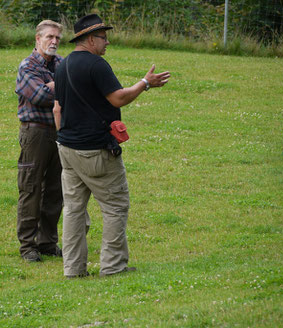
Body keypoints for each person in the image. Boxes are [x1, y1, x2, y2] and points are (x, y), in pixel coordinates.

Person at [53, 14, 170, 277]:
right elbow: (118, 98)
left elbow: (57, 109)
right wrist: (144, 84)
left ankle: (73, 270)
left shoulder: (63, 65)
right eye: (104, 38)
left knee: (73, 209)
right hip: (96, 150)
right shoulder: (97, 65)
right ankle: (113, 267)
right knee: (115, 206)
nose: (107, 43)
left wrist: (66, 139)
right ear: (91, 39)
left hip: (67, 150)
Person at [15, 20, 64, 262]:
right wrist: (62, 85)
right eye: (49, 37)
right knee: (31, 188)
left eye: (57, 38)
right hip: (35, 134)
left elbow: (74, 89)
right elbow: (39, 95)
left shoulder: (63, 64)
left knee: (55, 190)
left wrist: (55, 85)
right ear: (38, 39)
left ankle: (47, 243)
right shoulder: (27, 66)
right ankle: (27, 247)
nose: (54, 41)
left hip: (60, 131)